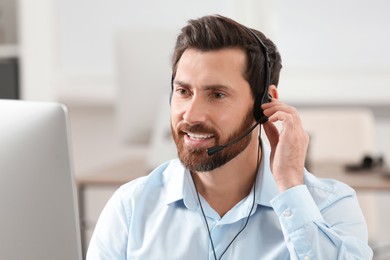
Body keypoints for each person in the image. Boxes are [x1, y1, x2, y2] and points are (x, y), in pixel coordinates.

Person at [87, 15, 373, 259]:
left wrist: (289, 187)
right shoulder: (130, 208)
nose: (191, 115)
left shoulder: (329, 206)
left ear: (265, 102)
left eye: (217, 95)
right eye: (183, 91)